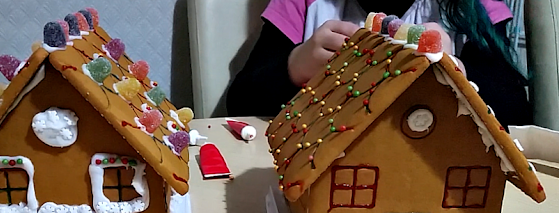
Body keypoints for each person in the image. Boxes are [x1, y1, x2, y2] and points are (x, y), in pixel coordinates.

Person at [226, 0, 532, 127]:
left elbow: (515, 111)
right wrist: (294, 66)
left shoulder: (470, 10)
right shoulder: (305, 4)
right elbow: (240, 100)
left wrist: (459, 74)